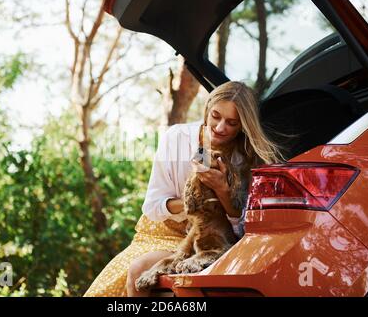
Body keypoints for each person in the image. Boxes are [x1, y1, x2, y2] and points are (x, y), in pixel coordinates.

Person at [83, 81, 284, 297]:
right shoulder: (177, 138)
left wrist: (223, 191)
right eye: (216, 116)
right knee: (130, 274)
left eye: (232, 123)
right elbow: (153, 206)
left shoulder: (245, 156)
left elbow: (242, 227)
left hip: (212, 238)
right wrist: (197, 201)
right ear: (207, 109)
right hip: (162, 233)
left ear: (243, 126)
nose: (220, 127)